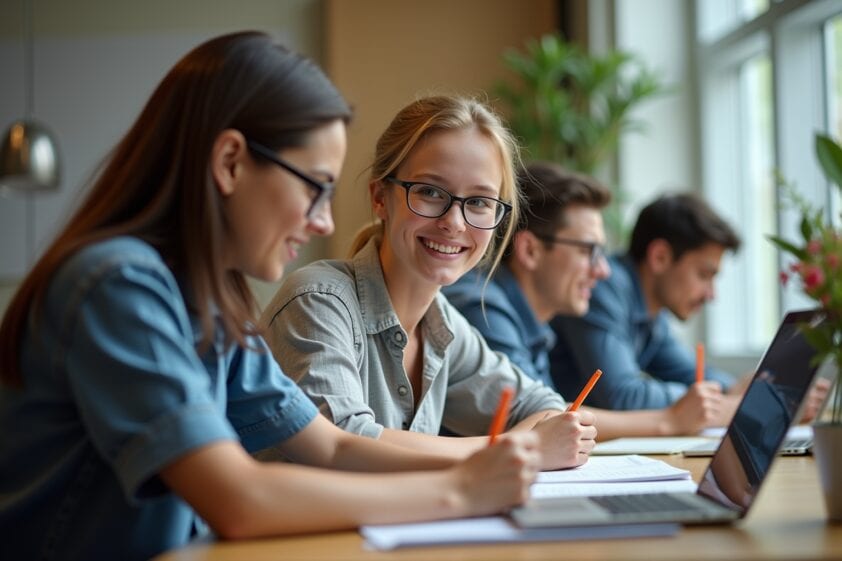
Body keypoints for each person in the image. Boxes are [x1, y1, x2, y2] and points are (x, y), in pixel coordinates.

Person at [0, 33, 541, 561]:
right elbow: (238, 500)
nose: (325, 222)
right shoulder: (118, 285)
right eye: (314, 187)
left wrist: (487, 467)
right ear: (230, 163)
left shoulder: (214, 305)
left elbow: (333, 446)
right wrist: (461, 491)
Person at [261, 95, 597, 471]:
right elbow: (343, 440)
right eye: (430, 192)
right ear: (380, 197)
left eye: (479, 202)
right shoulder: (318, 301)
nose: (454, 222)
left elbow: (544, 406)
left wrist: (533, 440)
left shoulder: (442, 325)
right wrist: (522, 446)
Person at [444, 161, 731, 438]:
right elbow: (541, 423)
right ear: (530, 250)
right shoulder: (482, 306)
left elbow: (549, 413)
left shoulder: (538, 326)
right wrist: (669, 420)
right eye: (587, 251)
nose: (602, 270)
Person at [547, 191, 744, 412]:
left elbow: (692, 373)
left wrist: (734, 388)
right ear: (660, 257)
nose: (711, 294)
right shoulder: (603, 287)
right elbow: (622, 395)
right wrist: (700, 398)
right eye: (703, 275)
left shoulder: (652, 314)